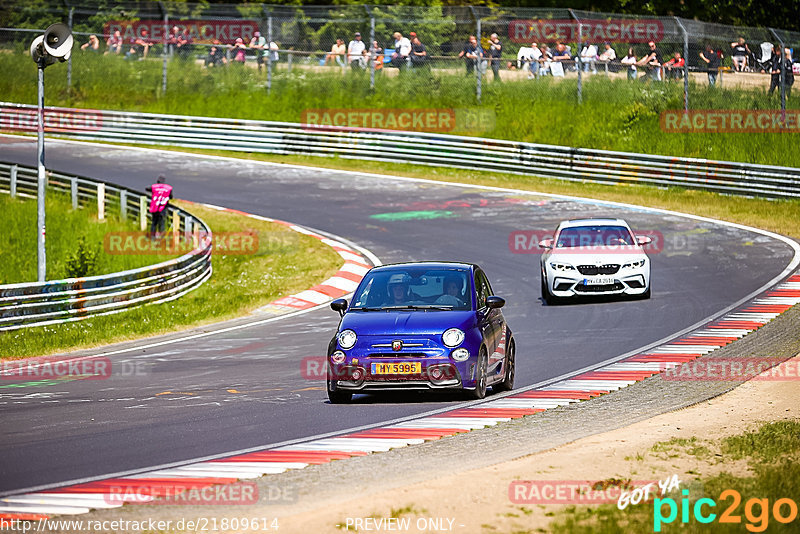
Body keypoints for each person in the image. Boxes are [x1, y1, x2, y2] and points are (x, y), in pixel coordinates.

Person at [146, 175, 173, 240]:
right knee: (162, 223)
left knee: (154, 222)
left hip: (155, 207)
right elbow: (171, 196)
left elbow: (147, 188)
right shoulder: (168, 188)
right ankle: (162, 238)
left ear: (158, 181)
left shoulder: (154, 187)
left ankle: (152, 238)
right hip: (163, 208)